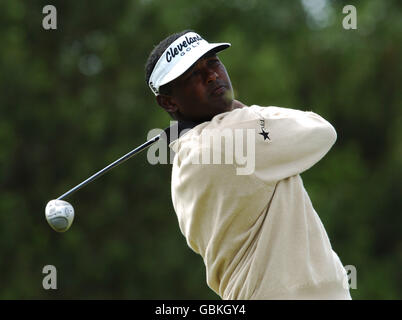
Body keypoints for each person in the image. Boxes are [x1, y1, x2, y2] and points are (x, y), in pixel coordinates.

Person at [144, 30, 352, 300]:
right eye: (193, 74)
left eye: (213, 62)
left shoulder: (184, 166)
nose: (211, 76)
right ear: (168, 101)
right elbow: (322, 131)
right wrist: (238, 109)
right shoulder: (231, 135)